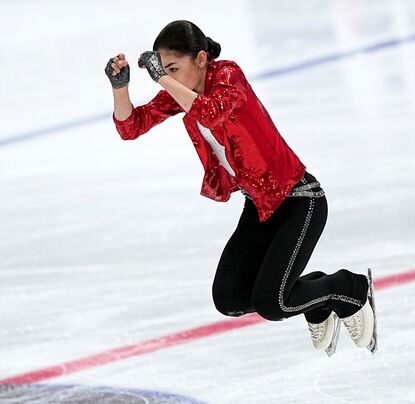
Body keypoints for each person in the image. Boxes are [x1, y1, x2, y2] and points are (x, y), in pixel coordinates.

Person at [104, 20, 377, 355]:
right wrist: (121, 89)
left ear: (201, 59)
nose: (169, 77)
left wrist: (161, 77)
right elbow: (132, 126)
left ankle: (347, 288)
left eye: (174, 68)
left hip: (299, 201)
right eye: (165, 69)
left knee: (273, 303)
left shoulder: (228, 77)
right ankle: (317, 303)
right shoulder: (184, 94)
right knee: (230, 299)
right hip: (260, 206)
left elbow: (211, 112)